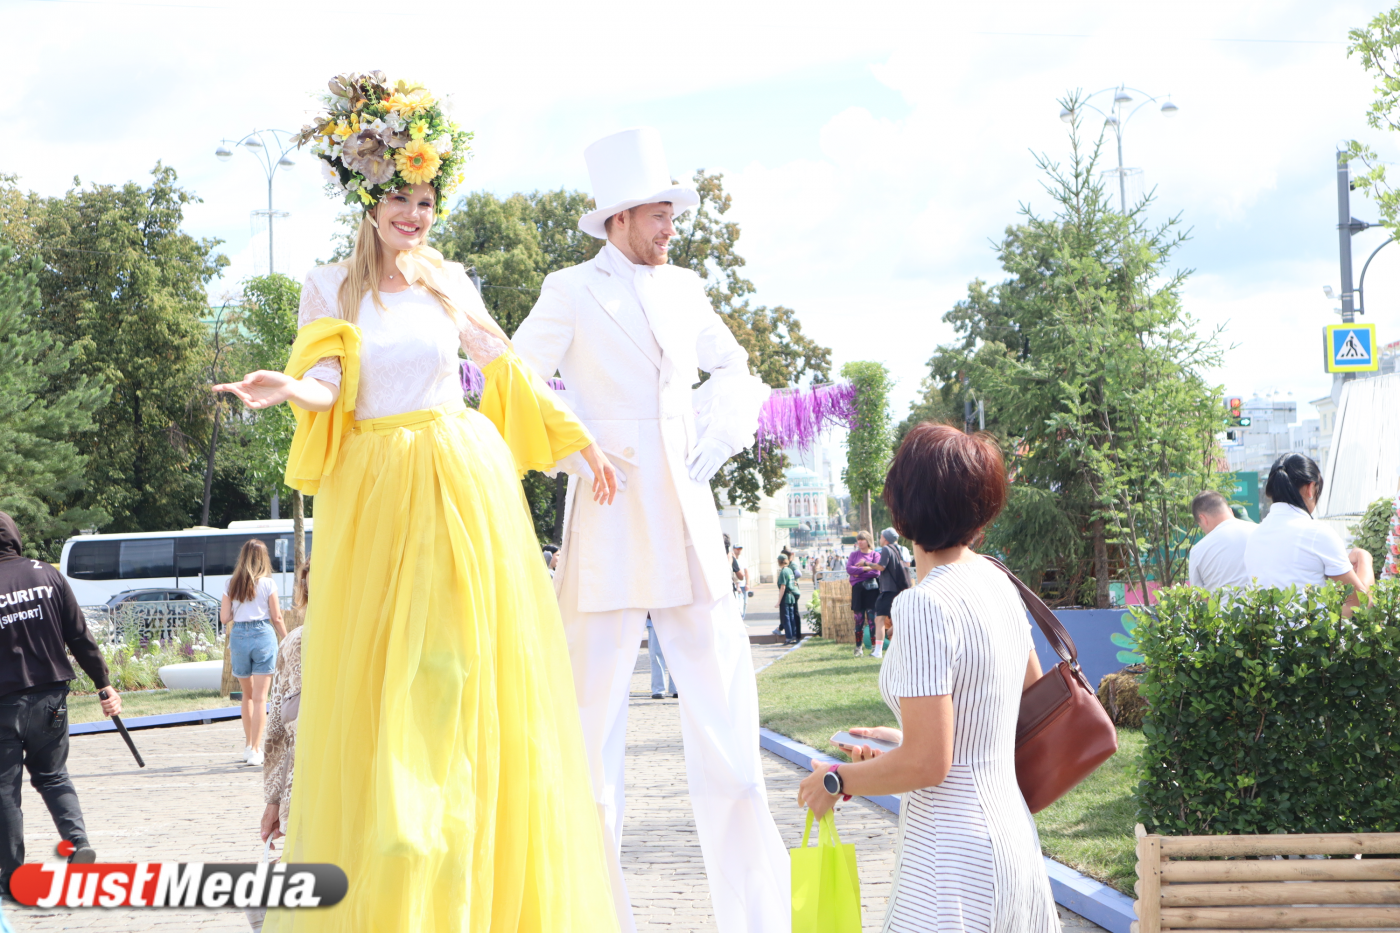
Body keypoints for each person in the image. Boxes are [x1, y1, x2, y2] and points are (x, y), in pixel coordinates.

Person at [215, 72, 620, 933]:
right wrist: (285, 385)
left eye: (426, 200)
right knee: (381, 688)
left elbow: (506, 366)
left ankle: (474, 887)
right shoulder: (331, 287)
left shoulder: (448, 280)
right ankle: (398, 868)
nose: (414, 214)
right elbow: (330, 384)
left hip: (458, 488)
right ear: (369, 199)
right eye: (399, 197)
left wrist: (578, 441)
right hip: (374, 497)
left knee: (461, 676)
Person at [512, 127, 787, 933]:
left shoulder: (688, 286)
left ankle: (759, 922)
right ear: (620, 218)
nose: (671, 226)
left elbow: (736, 368)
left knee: (735, 750)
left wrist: (719, 430)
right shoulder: (569, 289)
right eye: (659, 213)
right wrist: (580, 449)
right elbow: (517, 380)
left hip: (690, 520)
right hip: (607, 518)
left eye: (673, 212)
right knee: (588, 752)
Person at [798, 423, 1058, 931]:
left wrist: (835, 780)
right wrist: (904, 741)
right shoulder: (999, 582)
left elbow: (929, 764)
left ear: (905, 501)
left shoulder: (923, 604)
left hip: (949, 861)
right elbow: (1019, 706)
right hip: (1015, 845)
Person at [0, 512, 122, 897]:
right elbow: (79, 636)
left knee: (4, 789)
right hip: (51, 698)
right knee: (53, 775)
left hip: (4, 703)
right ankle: (78, 841)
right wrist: (104, 685)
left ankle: (11, 875)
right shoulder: (46, 574)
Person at [1244, 453, 1374, 614]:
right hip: (1309, 630)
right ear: (1311, 488)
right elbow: (1362, 602)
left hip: (1266, 629)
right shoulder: (1317, 533)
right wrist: (1364, 558)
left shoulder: (1254, 536)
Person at [221, 539, 288, 767]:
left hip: (239, 636)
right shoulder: (268, 584)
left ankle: (249, 745)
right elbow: (276, 617)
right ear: (263, 559)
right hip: (263, 636)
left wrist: (238, 610)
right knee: (261, 698)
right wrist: (287, 639)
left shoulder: (231, 583)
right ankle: (257, 751)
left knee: (247, 695)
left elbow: (224, 618)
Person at [1187, 491, 1255, 591]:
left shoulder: (1198, 551)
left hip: (1223, 601)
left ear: (1203, 519)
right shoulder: (1260, 531)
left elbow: (1199, 597)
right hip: (1266, 600)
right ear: (1230, 511)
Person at [869, 528, 910, 659]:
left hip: (888, 590)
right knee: (898, 619)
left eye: (881, 537)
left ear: (886, 538)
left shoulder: (886, 549)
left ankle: (878, 651)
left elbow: (881, 566)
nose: (880, 539)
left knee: (879, 619)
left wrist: (866, 564)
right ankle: (901, 648)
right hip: (900, 589)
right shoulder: (901, 549)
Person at [846, 531, 881, 657]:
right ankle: (858, 647)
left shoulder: (875, 555)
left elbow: (876, 572)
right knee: (858, 620)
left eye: (862, 540)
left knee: (872, 619)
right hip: (858, 590)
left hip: (871, 591)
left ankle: (874, 647)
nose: (860, 542)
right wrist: (866, 568)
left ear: (868, 541)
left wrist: (858, 572)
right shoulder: (854, 555)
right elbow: (849, 569)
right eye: (858, 540)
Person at [645, 617, 677, 699]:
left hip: (675, 618)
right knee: (656, 655)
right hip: (654, 618)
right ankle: (658, 690)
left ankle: (676, 688)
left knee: (676, 655)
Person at [776, 554, 801, 645]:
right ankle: (794, 636)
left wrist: (779, 601)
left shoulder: (783, 572)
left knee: (786, 618)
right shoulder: (790, 570)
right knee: (792, 617)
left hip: (786, 597)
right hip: (792, 597)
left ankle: (788, 637)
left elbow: (782, 587)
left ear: (779, 562)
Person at [732, 543, 750, 620]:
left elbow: (746, 572)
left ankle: (742, 619)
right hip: (735, 586)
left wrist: (747, 583)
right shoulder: (732, 559)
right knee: (737, 604)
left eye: (740, 549)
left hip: (743, 584)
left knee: (744, 603)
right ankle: (738, 619)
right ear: (734, 549)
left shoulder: (743, 559)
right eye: (737, 549)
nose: (739, 550)